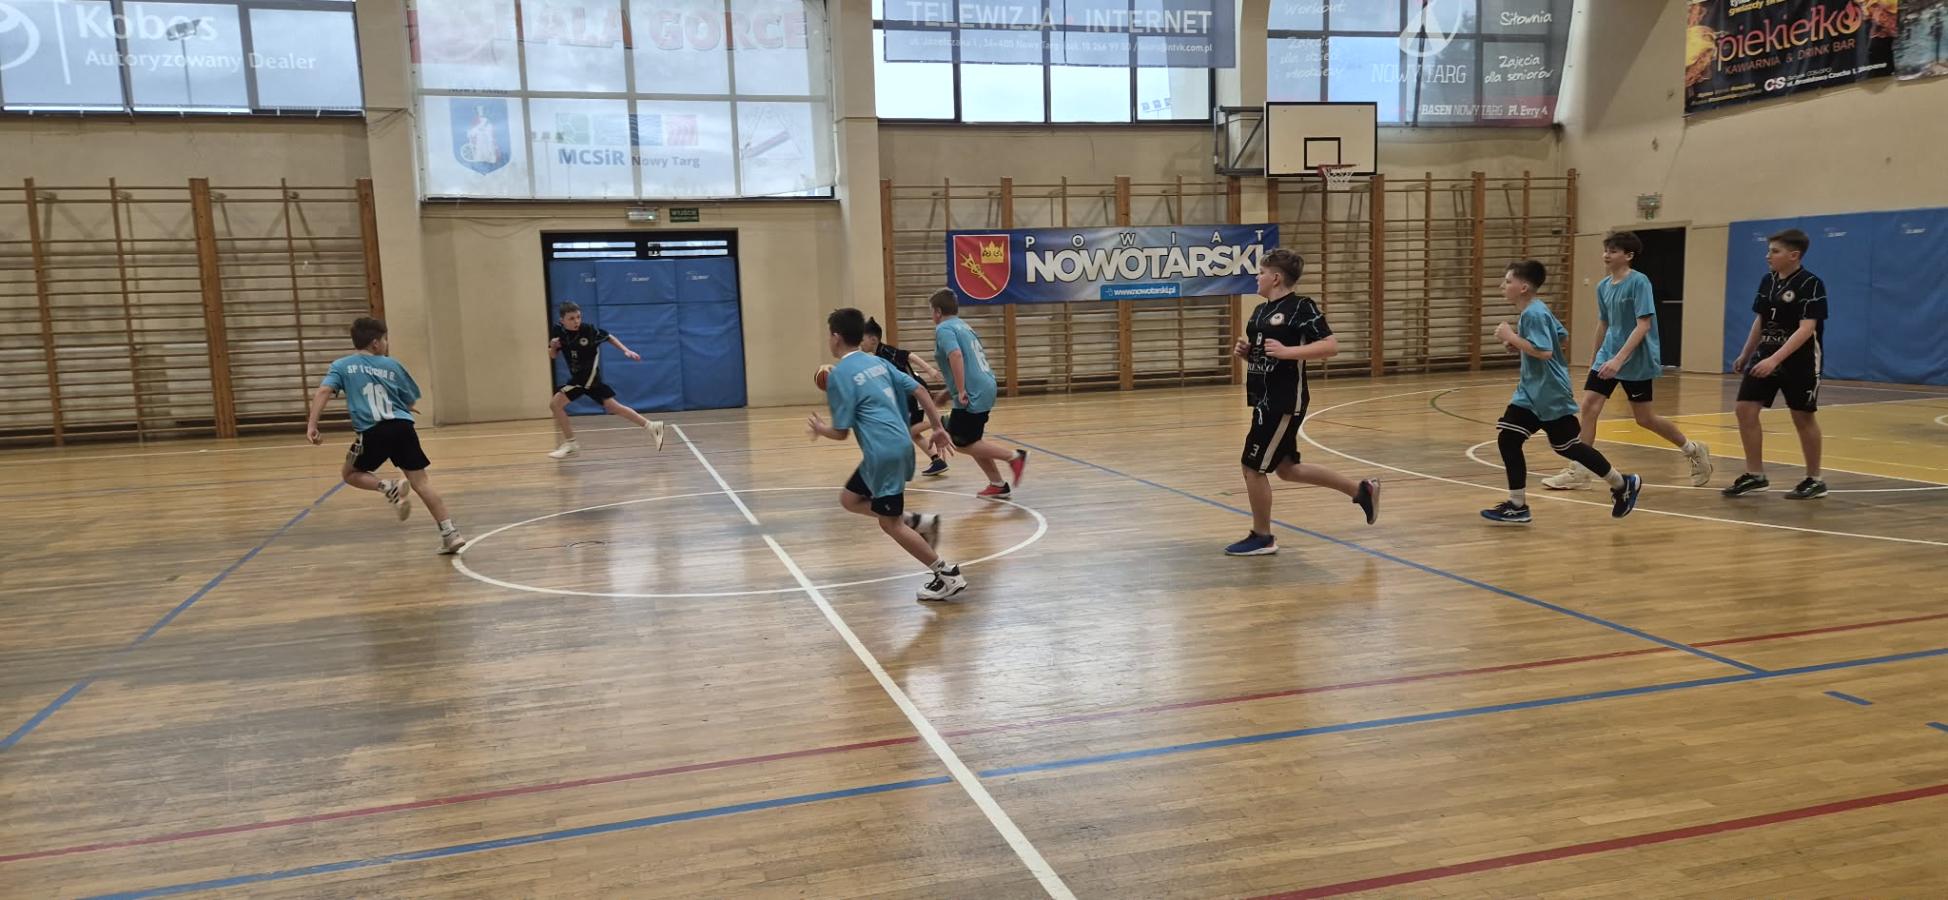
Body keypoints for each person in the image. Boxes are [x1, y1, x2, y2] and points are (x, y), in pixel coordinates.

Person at [1224, 248, 1379, 557]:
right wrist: (1248, 353)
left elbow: (1330, 346)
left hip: (1283, 400)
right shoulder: (1260, 311)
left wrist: (1288, 352)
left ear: (1276, 277)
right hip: (1263, 398)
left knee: (1252, 467)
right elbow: (1266, 355)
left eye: (1261, 272)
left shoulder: (1301, 307)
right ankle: (1361, 491)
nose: (1257, 277)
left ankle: (1263, 536)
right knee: (1287, 469)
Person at [808, 308, 966, 601]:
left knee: (889, 523)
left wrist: (820, 428)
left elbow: (841, 433)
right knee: (849, 499)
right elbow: (920, 390)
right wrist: (936, 427)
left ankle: (946, 574)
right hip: (898, 445)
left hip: (883, 453)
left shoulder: (840, 375)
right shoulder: (877, 362)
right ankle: (918, 522)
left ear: (836, 337)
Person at [1543, 231, 1712, 490]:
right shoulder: (1602, 286)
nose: (1606, 255)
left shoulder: (1639, 282)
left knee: (1644, 418)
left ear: (1629, 255)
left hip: (1635, 359)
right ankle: (1580, 470)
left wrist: (1619, 360)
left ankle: (1693, 449)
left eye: (1613, 251)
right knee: (1589, 407)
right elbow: (1604, 323)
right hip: (1607, 356)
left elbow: (1643, 325)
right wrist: (1595, 359)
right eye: (1605, 250)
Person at [1481, 261, 1643, 525]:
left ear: (1523, 287)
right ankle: (1518, 505)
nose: (1503, 285)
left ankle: (1622, 483)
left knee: (1567, 447)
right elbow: (1562, 337)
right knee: (1514, 440)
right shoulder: (1537, 309)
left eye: (1508, 281)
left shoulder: (1533, 313)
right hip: (1533, 391)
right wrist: (1521, 343)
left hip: (1548, 392)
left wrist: (1512, 337)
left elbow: (1545, 352)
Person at [305, 317, 466, 554]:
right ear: (375, 343)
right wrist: (406, 407)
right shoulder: (393, 365)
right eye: (385, 339)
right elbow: (408, 399)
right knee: (421, 483)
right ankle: (450, 533)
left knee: (349, 474)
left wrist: (312, 425)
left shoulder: (341, 366)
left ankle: (388, 486)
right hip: (402, 427)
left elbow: (323, 391)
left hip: (373, 431)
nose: (386, 343)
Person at [1722, 228, 1828, 499]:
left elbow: (1806, 329)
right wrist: (1746, 354)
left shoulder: (1811, 284)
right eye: (1769, 250)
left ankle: (1814, 479)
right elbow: (1761, 321)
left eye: (1774, 251)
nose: (1768, 255)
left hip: (1801, 361)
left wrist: (1775, 359)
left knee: (1802, 416)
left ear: (1794, 255)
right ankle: (1755, 475)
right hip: (1765, 356)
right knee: (1745, 410)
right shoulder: (1767, 281)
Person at [929, 289, 1028, 499]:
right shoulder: (964, 326)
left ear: (937, 311)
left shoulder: (944, 328)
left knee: (958, 441)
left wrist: (961, 389)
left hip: (973, 390)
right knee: (973, 440)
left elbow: (956, 355)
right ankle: (997, 484)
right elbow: (970, 361)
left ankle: (1014, 456)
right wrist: (950, 390)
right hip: (984, 384)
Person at [545, 302, 667, 459]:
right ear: (562, 320)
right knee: (613, 407)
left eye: (578, 317)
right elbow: (553, 355)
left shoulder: (588, 330)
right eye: (571, 318)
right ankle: (652, 426)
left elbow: (609, 337)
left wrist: (626, 350)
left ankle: (571, 444)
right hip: (581, 378)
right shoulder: (558, 331)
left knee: (555, 404)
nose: (576, 321)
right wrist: (552, 347)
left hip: (586, 377)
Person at [861, 316, 949, 477]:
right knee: (913, 432)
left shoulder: (886, 351)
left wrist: (929, 369)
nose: (861, 343)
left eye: (863, 339)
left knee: (906, 431)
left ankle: (941, 421)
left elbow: (908, 355)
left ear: (873, 340)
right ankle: (937, 461)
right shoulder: (877, 356)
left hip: (914, 392)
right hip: (907, 395)